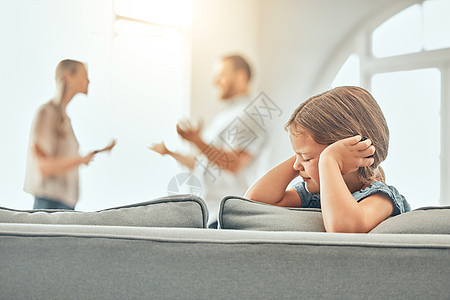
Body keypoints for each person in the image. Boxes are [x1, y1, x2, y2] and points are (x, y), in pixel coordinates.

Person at [244, 86, 410, 233]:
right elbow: (254, 202)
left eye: (307, 158)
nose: (296, 165)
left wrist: (329, 160)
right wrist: (304, 156)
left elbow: (343, 228)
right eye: (297, 156)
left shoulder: (382, 197)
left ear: (353, 156)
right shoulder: (313, 195)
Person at [151, 55, 266, 228]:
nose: (215, 81)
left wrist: (197, 141)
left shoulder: (250, 114)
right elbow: (201, 163)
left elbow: (234, 163)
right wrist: (169, 152)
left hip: (229, 216)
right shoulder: (225, 115)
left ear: (241, 76)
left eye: (221, 75)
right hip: (210, 214)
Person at [24, 59, 116, 210]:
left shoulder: (65, 120)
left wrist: (85, 158)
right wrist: (79, 160)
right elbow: (44, 166)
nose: (88, 80)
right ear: (68, 76)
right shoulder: (46, 113)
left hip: (66, 206)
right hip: (50, 205)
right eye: (84, 75)